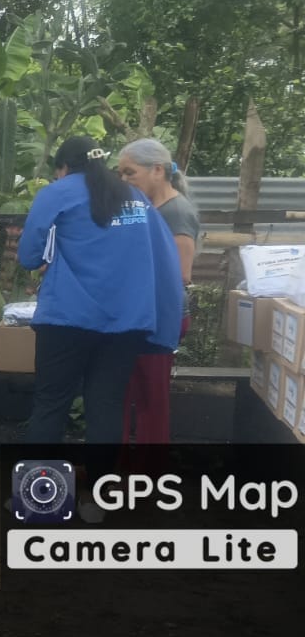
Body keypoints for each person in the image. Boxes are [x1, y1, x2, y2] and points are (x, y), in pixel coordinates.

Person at [19, 137, 183, 444]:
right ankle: (102, 477)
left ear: (63, 168)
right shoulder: (134, 196)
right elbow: (163, 257)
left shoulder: (56, 192)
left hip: (66, 318)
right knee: (107, 406)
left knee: (50, 406)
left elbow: (29, 256)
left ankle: (43, 478)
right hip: (124, 323)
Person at [117, 137, 201, 443]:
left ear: (157, 170)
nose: (124, 180)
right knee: (125, 395)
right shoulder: (147, 207)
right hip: (141, 315)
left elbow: (181, 273)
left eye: (130, 172)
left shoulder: (176, 211)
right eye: (120, 174)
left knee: (151, 401)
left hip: (161, 317)